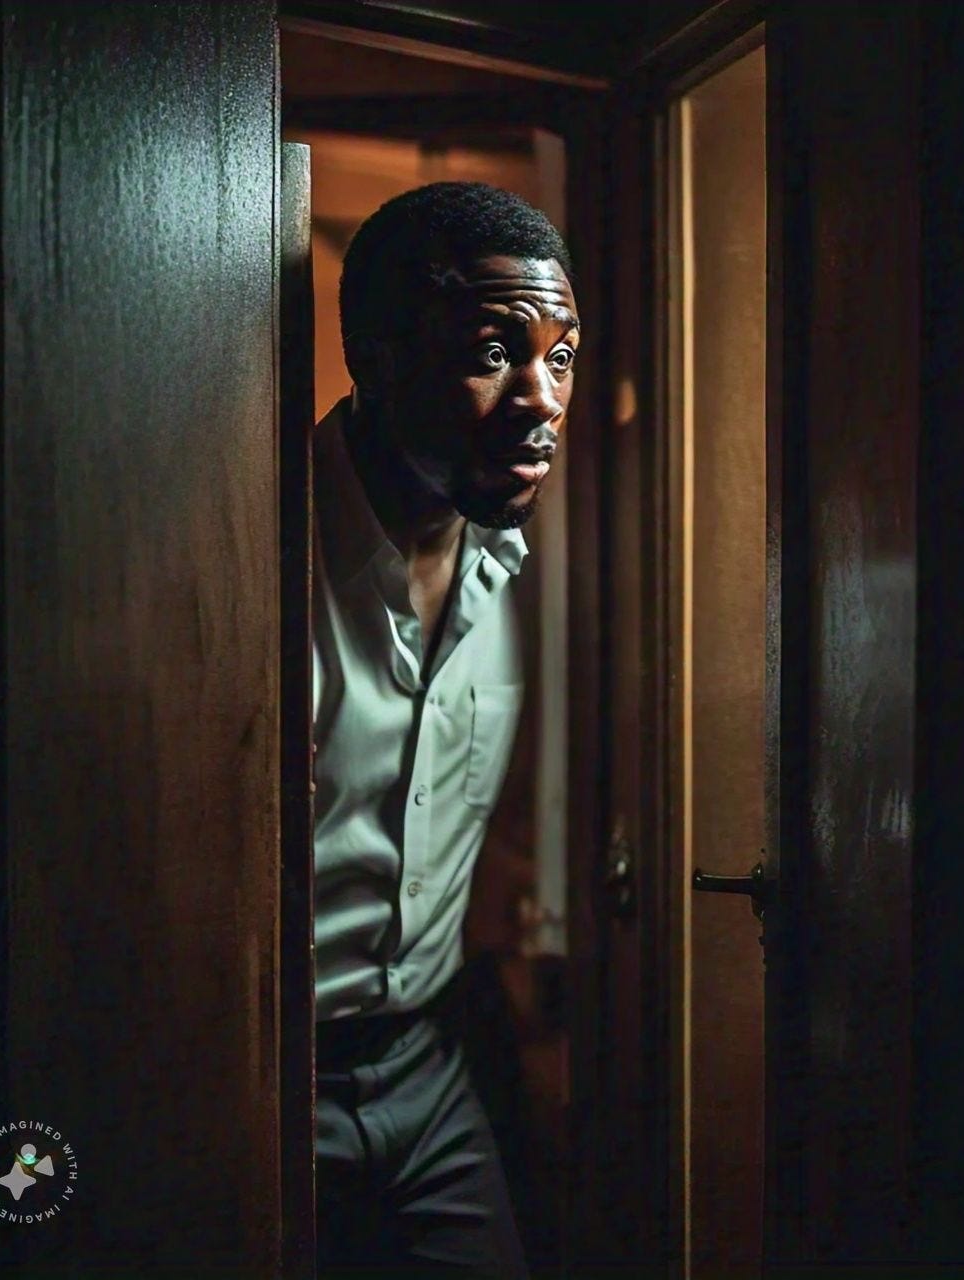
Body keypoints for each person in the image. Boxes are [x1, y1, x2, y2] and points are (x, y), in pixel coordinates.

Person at [311, 181, 579, 1278]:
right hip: (255, 1067)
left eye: (560, 357)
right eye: (493, 352)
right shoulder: (251, 554)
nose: (541, 397)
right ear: (375, 362)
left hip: (430, 1069)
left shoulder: (503, 557)